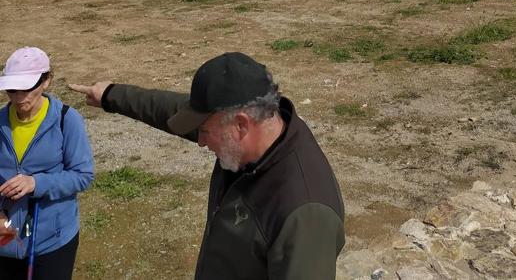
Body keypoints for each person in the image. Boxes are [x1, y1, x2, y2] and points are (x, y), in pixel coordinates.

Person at [70, 52, 344, 280]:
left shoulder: (305, 213)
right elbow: (171, 110)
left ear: (240, 124)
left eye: (204, 131)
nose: (199, 142)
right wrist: (111, 95)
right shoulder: (256, 134)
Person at [0, 47, 94, 280]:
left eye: (27, 87)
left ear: (46, 81)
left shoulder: (66, 120)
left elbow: (83, 175)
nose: (19, 97)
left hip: (53, 241)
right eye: (12, 89)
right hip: (4, 237)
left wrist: (36, 183)